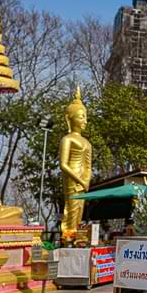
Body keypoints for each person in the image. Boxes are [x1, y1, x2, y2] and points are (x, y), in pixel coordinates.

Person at [59, 87, 92, 243]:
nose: (84, 120)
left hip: (83, 180)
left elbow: (88, 165)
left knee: (80, 210)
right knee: (71, 208)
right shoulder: (67, 139)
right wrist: (79, 180)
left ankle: (77, 236)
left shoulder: (87, 143)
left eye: (85, 117)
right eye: (80, 117)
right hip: (73, 179)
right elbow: (63, 165)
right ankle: (68, 238)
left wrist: (86, 180)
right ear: (69, 119)